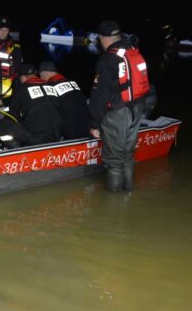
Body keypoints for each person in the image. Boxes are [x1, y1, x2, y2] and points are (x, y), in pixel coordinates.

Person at [89, 20, 149, 192]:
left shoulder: (108, 60)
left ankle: (113, 204)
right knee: (127, 155)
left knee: (114, 160)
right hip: (137, 107)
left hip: (118, 112)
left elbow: (99, 96)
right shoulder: (132, 51)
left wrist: (95, 123)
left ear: (103, 38)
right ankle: (128, 193)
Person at [0, 63, 61, 146]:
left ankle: (14, 149)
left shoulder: (21, 89)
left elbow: (12, 116)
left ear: (23, 77)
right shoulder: (51, 86)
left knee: (2, 125)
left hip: (38, 138)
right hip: (57, 134)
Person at [38, 60, 90, 139]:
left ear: (45, 72)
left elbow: (50, 112)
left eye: (41, 75)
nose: (41, 78)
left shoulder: (50, 86)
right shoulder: (72, 82)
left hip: (69, 132)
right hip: (85, 127)